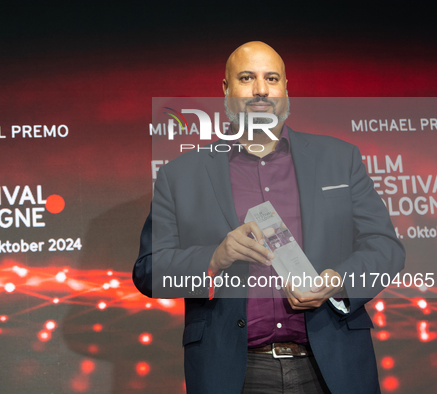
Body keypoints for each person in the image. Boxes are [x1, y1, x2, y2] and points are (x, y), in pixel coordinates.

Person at [133, 41, 405, 394]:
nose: (261, 89)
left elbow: (385, 247)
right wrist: (214, 258)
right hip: (233, 372)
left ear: (286, 89)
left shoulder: (340, 158)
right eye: (247, 78)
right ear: (226, 89)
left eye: (271, 78)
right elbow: (149, 272)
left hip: (332, 365)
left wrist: (338, 280)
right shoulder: (181, 175)